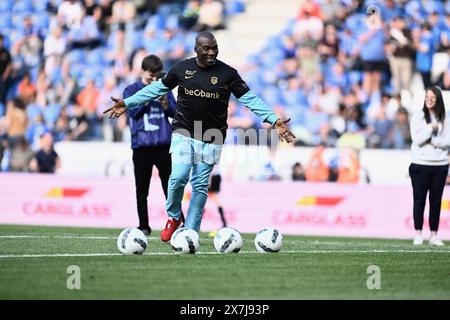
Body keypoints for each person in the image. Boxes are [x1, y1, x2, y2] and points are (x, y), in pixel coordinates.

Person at [104, 31, 295, 242]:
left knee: (200, 186)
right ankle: (174, 216)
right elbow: (156, 89)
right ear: (196, 49)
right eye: (206, 48)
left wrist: (273, 119)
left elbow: (250, 99)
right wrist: (128, 102)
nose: (212, 52)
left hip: (212, 137)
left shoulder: (228, 74)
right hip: (184, 132)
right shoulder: (182, 69)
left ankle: (190, 233)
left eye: (215, 47)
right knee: (177, 178)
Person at [123, 54, 177, 236]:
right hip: (142, 146)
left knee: (170, 186)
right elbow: (133, 113)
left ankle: (178, 222)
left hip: (163, 145)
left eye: (156, 76)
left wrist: (163, 102)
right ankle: (143, 225)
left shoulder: (164, 88)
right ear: (142, 71)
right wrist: (147, 97)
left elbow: (175, 112)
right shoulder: (131, 90)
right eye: (151, 76)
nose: (154, 80)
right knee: (142, 188)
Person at [409, 86, 450, 246]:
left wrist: (432, 140)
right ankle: (418, 233)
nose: (429, 100)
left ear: (438, 99)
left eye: (433, 97)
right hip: (420, 164)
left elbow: (447, 142)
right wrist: (429, 129)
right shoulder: (418, 117)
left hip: (440, 165)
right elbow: (417, 139)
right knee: (419, 200)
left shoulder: (446, 118)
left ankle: (434, 235)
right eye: (427, 97)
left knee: (436, 201)